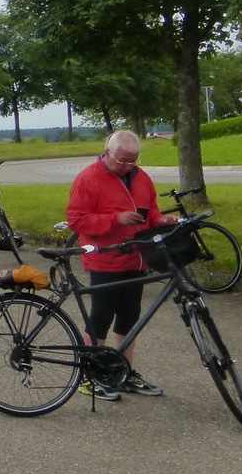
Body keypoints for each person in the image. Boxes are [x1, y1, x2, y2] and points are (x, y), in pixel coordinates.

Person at [66, 129, 178, 401]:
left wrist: (160, 220)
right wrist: (115, 220)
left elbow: (150, 210)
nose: (129, 166)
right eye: (123, 160)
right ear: (107, 153)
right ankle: (89, 375)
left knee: (129, 316)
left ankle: (123, 372)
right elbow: (77, 220)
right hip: (105, 258)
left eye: (134, 160)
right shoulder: (88, 178)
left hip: (137, 257)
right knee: (101, 317)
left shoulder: (141, 178)